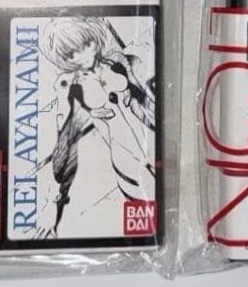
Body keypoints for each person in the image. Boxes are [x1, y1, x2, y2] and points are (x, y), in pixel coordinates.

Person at [32, 16, 155, 237]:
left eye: (86, 44)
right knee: (148, 221)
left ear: (94, 38)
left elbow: (145, 99)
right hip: (126, 159)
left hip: (151, 141)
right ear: (64, 59)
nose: (83, 55)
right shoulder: (72, 87)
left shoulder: (117, 60)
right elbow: (65, 141)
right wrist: (52, 202)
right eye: (72, 54)